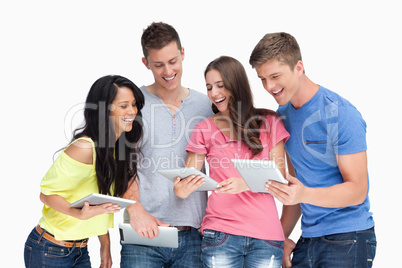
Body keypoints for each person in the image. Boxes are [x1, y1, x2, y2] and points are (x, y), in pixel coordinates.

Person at [249, 32, 376, 268]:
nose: (269, 86)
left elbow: (358, 190)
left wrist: (303, 194)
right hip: (309, 237)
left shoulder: (340, 113)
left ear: (299, 67)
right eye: (263, 79)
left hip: (349, 237)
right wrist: (279, 238)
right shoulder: (284, 115)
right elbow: (296, 184)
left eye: (275, 76)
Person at [174, 56, 289, 268]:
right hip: (220, 234)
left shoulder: (269, 122)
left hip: (266, 236)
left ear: (236, 85)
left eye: (220, 85)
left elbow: (281, 179)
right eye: (209, 87)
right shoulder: (204, 128)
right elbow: (187, 180)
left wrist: (244, 183)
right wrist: (181, 189)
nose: (214, 93)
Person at [23, 75, 145, 268]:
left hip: (80, 250)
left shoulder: (117, 149)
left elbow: (100, 201)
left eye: (134, 104)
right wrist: (77, 213)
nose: (132, 111)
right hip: (50, 249)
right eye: (124, 106)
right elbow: (46, 194)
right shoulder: (85, 148)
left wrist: (105, 245)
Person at [120, 22, 213, 267]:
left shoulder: (206, 106)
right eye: (159, 64)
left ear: (183, 53)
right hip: (142, 232)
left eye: (173, 61)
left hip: (194, 234)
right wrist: (135, 211)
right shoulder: (133, 104)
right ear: (145, 63)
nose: (168, 71)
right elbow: (120, 163)